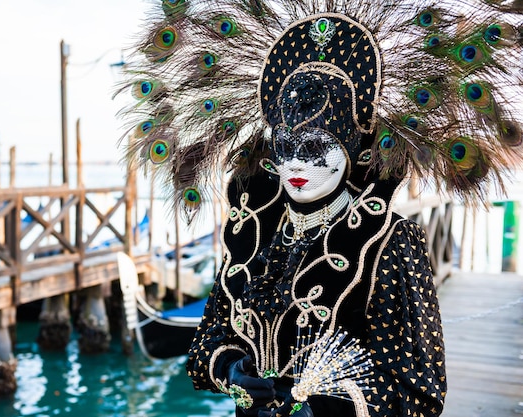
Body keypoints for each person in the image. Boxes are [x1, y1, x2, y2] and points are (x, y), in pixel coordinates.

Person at [117, 1, 523, 415]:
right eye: (286, 148)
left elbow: (421, 392)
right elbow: (206, 345)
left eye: (314, 148)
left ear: (350, 148)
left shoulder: (389, 242)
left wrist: (329, 409)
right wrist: (232, 371)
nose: (296, 165)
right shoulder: (253, 235)